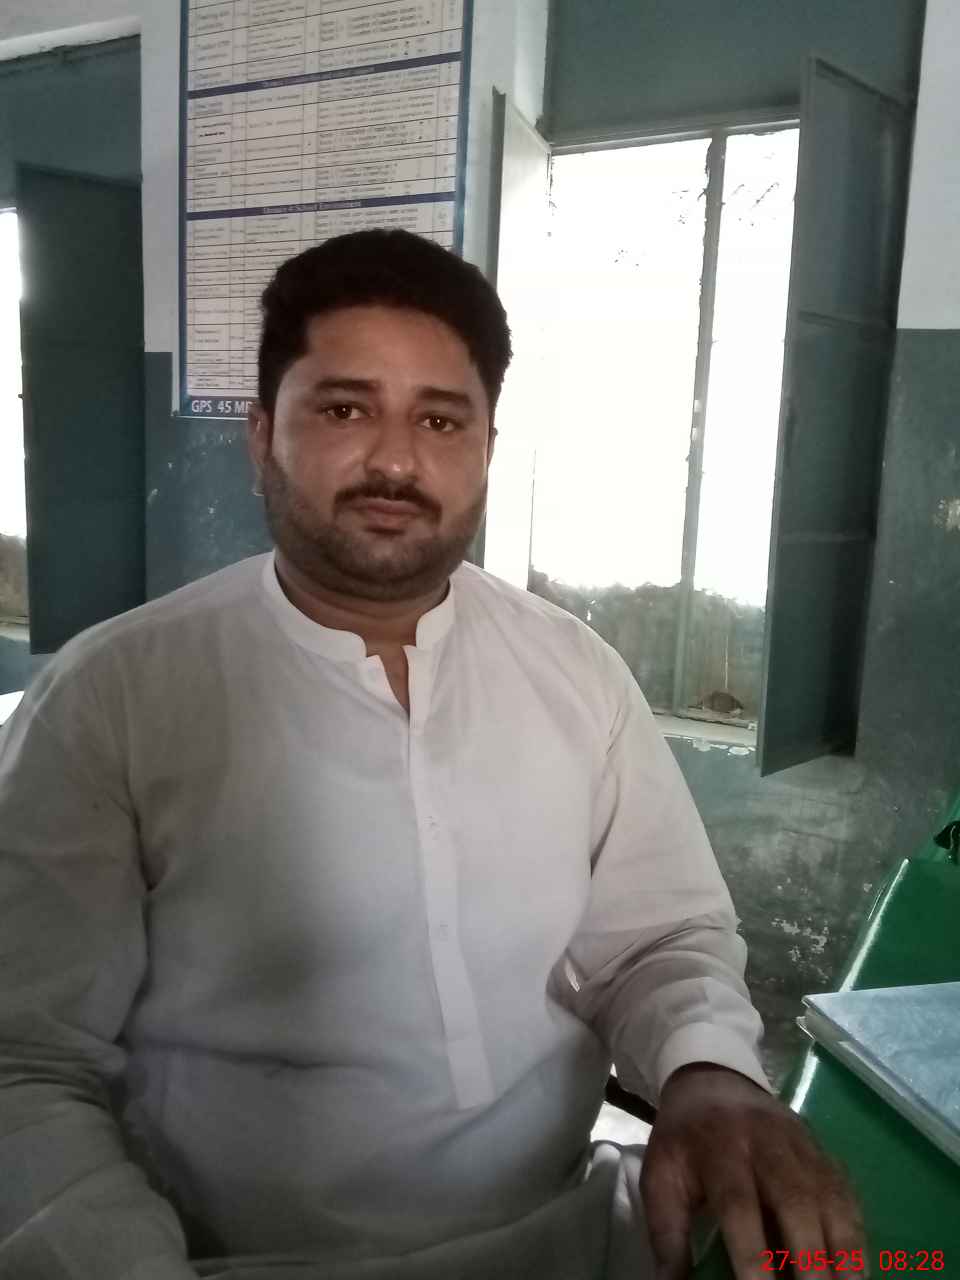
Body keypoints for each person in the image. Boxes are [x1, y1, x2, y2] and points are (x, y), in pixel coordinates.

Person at [0, 229, 863, 1280]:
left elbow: (660, 937)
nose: (396, 462)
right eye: (345, 409)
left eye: (441, 419)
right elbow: (24, 1062)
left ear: (488, 445)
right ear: (263, 434)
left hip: (576, 1236)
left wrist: (708, 1071)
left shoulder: (574, 671)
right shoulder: (112, 695)